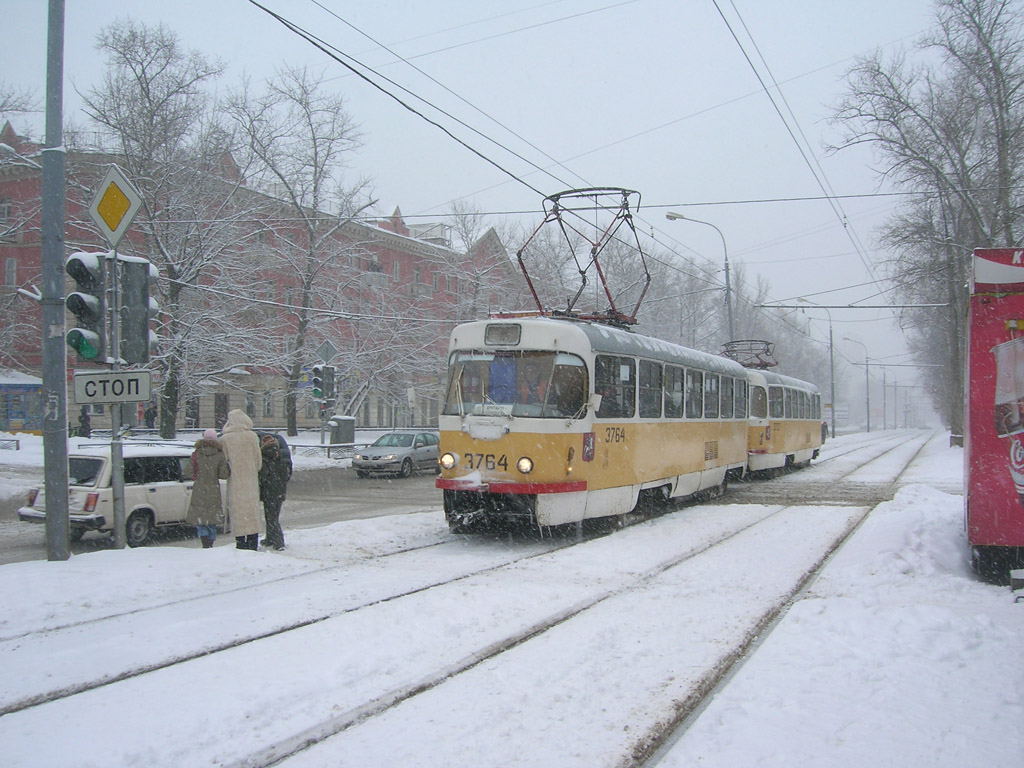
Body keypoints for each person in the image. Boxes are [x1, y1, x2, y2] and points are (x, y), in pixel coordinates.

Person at [219, 409, 263, 550]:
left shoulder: (225, 439)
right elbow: (258, 462)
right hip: (250, 482)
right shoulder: (252, 436)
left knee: (238, 513)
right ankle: (253, 542)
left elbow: (224, 462)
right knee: (251, 512)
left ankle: (240, 543)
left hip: (235, 482)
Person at [186, 428, 229, 548]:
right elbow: (223, 475)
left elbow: (188, 471)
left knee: (201, 519)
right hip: (213, 490)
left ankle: (204, 542)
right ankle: (210, 542)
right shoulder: (220, 454)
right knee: (212, 519)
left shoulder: (196, 454)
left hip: (199, 490)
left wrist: (197, 476)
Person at [258, 433, 292, 550]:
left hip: (269, 491)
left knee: (271, 517)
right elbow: (287, 473)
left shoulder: (264, 458)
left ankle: (278, 541)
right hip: (279, 490)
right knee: (274, 516)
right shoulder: (282, 457)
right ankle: (271, 538)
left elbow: (263, 476)